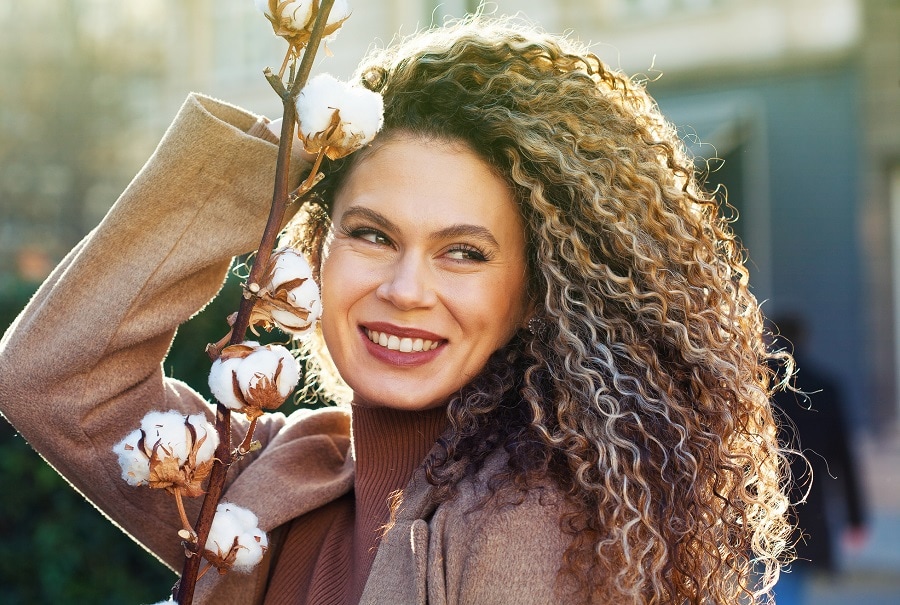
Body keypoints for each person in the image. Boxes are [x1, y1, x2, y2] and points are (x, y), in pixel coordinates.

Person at [0, 16, 792, 604]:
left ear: (534, 293)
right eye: (372, 234)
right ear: (317, 248)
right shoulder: (282, 472)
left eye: (465, 251)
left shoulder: (537, 526)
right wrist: (276, 163)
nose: (407, 287)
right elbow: (53, 376)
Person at [770, 314, 867, 605]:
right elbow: (844, 457)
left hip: (755, 504)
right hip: (808, 505)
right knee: (788, 581)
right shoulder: (826, 387)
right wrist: (855, 518)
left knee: (768, 580)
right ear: (804, 338)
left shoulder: (752, 385)